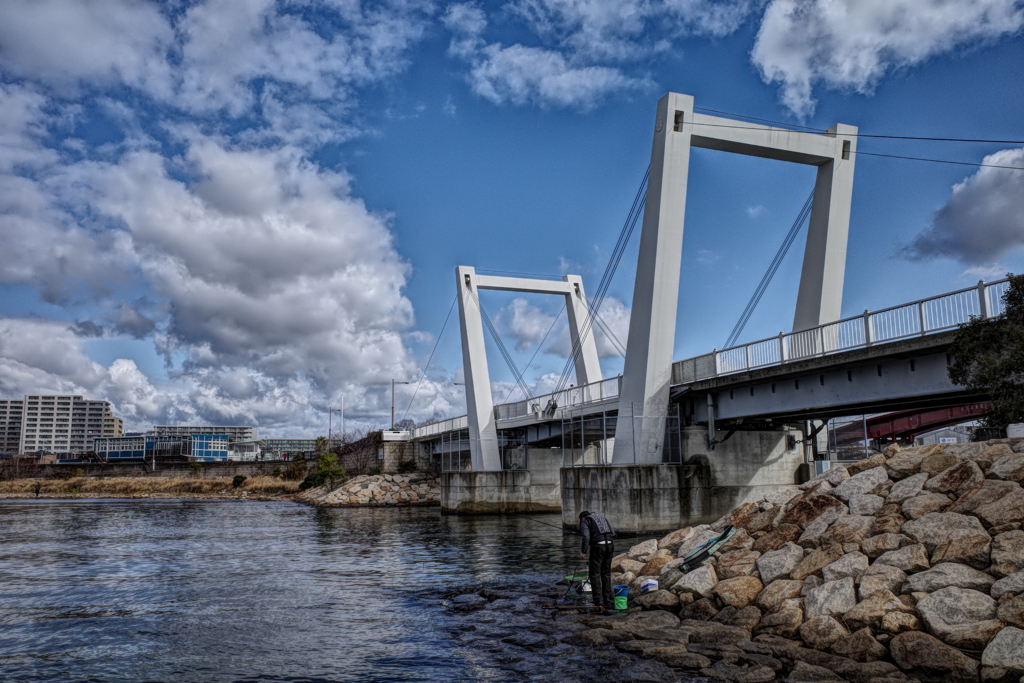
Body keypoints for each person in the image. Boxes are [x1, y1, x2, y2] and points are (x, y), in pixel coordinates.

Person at [579, 510, 615, 610]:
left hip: (598, 547)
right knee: (606, 572)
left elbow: (586, 537)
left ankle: (598, 600)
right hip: (610, 545)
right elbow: (613, 532)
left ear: (582, 518)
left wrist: (583, 551)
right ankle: (607, 598)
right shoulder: (601, 517)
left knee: (594, 573)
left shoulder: (585, 521)